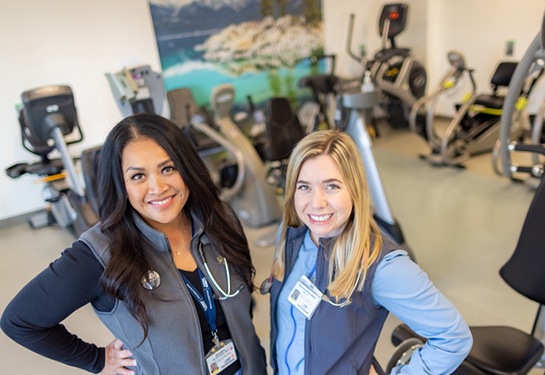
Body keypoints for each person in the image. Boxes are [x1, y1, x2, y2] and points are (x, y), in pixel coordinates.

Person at [1, 113, 267, 375]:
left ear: (187, 168)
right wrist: (96, 360)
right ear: (121, 184)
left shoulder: (220, 218)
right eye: (138, 176)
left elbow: (242, 306)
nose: (158, 187)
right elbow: (20, 321)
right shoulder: (101, 252)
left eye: (168, 168)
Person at [267, 129, 472, 375]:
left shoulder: (382, 265)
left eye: (331, 186)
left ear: (355, 189)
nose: (316, 202)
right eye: (304, 187)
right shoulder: (292, 235)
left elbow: (453, 337)